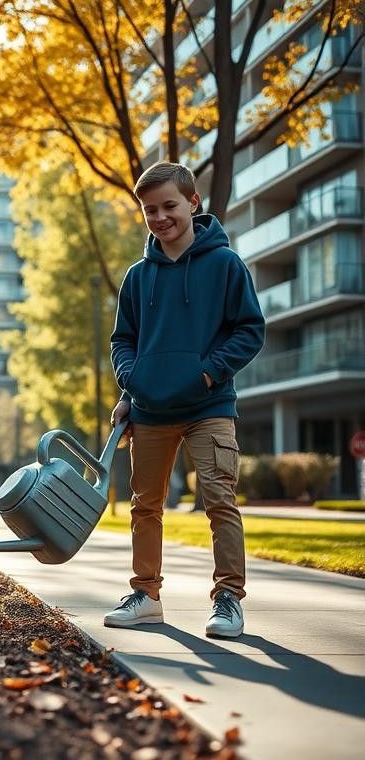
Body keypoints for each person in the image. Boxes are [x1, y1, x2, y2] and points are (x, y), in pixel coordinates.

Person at [105, 161, 264, 638]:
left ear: (193, 203)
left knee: (219, 500)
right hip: (150, 410)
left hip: (208, 407)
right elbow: (123, 340)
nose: (160, 217)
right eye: (150, 210)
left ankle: (228, 600)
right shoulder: (138, 276)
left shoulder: (225, 264)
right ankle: (146, 595)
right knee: (144, 506)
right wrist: (132, 386)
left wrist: (208, 375)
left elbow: (249, 331)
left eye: (169, 206)